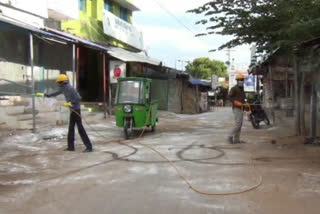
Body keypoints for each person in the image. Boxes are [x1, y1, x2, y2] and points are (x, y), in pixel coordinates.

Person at [36, 74, 93, 152]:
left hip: (76, 110)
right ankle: (71, 147)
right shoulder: (63, 88)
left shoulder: (70, 88)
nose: (58, 84)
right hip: (72, 111)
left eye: (59, 82)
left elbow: (78, 98)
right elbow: (54, 93)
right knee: (71, 129)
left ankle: (89, 147)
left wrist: (71, 103)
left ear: (63, 82)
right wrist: (44, 94)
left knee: (80, 128)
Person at [228, 74, 246, 144]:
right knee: (238, 124)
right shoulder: (234, 88)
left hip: (241, 108)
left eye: (242, 80)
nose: (241, 81)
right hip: (236, 108)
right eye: (240, 80)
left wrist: (245, 104)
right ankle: (230, 136)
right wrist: (235, 101)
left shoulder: (242, 88)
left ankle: (236, 140)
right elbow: (229, 97)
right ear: (237, 81)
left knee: (240, 124)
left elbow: (243, 98)